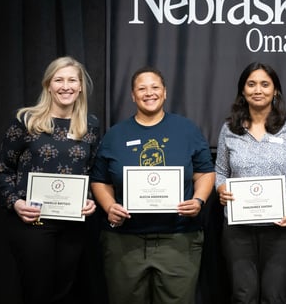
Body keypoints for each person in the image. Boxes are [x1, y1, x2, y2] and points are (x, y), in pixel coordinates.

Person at [90, 67, 215, 304]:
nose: (149, 93)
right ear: (132, 95)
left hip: (179, 239)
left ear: (165, 92)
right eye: (142, 88)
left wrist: (198, 200)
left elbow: (205, 172)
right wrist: (109, 207)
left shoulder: (187, 130)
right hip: (124, 242)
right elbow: (100, 180)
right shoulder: (115, 135)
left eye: (155, 87)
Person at [0, 56, 100, 304]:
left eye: (72, 80)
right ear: (48, 86)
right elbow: (3, 168)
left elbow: (92, 170)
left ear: (81, 86)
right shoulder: (27, 120)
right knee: (37, 293)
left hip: (72, 224)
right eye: (59, 80)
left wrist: (90, 199)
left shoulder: (90, 125)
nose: (66, 86)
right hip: (32, 222)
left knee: (64, 293)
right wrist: (15, 203)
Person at [215, 62, 286, 303]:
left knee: (274, 295)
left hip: (282, 227)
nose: (258, 90)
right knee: (243, 295)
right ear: (243, 91)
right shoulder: (229, 129)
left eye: (265, 84)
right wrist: (221, 188)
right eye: (251, 84)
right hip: (238, 229)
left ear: (275, 90)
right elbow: (219, 171)